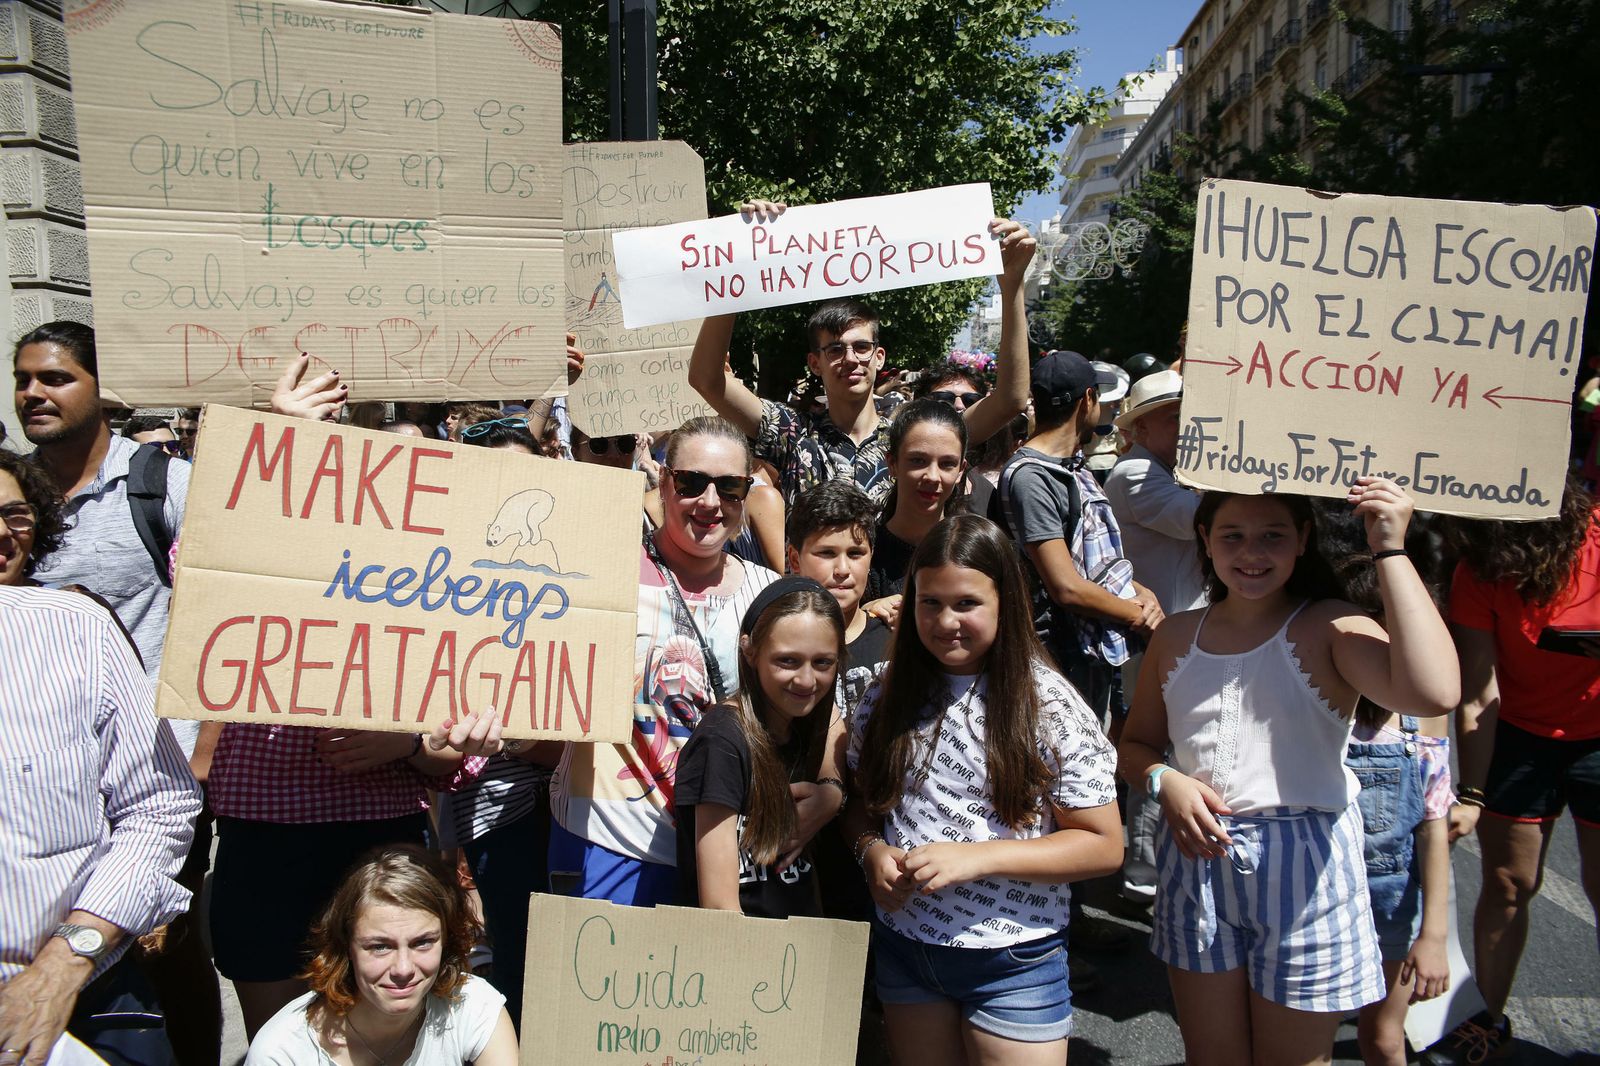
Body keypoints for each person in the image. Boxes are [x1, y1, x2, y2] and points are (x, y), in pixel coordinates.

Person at [1118, 479, 1459, 1066]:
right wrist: (1163, 781)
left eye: (1273, 535)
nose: (1252, 553)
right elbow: (1136, 745)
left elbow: (1433, 691)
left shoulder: (1331, 626)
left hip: (1308, 869)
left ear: (1303, 539)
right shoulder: (1176, 635)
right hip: (1196, 866)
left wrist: (1391, 549)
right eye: (1233, 536)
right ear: (1205, 538)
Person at [12, 321, 219, 1063]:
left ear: (105, 390)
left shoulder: (164, 484)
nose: (34, 393)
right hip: (48, 778)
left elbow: (222, 620)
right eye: (24, 379)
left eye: (56, 378)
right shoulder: (17, 491)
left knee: (161, 943)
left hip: (152, 772)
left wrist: (201, 753)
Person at [845, 514, 1123, 1064]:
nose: (946, 621)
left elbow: (1103, 844)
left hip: (1015, 958)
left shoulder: (1049, 705)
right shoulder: (884, 696)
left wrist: (976, 859)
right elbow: (861, 807)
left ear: (1005, 603)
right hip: (907, 951)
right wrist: (870, 850)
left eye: (967, 603)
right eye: (930, 603)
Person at [546, 417, 801, 906]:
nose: (710, 502)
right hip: (609, 842)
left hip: (730, 849)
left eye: (729, 487)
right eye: (691, 482)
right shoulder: (597, 578)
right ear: (663, 482)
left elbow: (821, 702)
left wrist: (830, 790)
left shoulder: (769, 595)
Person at [687, 202, 1035, 507]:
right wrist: (730, 270)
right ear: (815, 363)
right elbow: (706, 380)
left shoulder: (913, 432)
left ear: (879, 356)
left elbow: (1010, 400)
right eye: (836, 349)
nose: (851, 358)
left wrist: (1012, 286)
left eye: (862, 347)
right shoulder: (791, 430)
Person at [1422, 479, 1600, 1064]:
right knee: (1507, 884)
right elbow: (1478, 691)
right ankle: (1487, 1019)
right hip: (1522, 738)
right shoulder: (1480, 572)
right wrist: (1469, 792)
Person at [0, 583, 202, 1066]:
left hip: (87, 999)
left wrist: (61, 966)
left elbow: (160, 803)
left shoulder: (72, 629)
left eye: (14, 513)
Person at [993, 349, 1163, 719]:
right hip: (1057, 660)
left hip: (1086, 656)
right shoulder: (1032, 478)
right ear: (1089, 399)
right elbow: (1065, 586)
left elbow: (1098, 561)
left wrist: (1140, 594)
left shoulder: (1071, 466)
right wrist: (1139, 617)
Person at [245, 846, 517, 1066]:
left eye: (422, 943)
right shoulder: (283, 1052)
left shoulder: (473, 1006)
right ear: (346, 946)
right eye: (380, 946)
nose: (403, 968)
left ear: (447, 941)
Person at [675, 577, 845, 916]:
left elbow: (834, 720)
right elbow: (719, 905)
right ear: (750, 651)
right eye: (787, 661)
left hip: (798, 951)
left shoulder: (800, 720)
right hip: (744, 956)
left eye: (823, 662)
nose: (807, 680)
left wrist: (832, 791)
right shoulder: (722, 742)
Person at [1103, 369, 1206, 908]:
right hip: (1157, 638)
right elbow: (1200, 522)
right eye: (1173, 418)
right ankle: (1143, 872)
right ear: (1140, 429)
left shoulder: (1160, 468)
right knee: (1158, 748)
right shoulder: (1137, 473)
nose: (1186, 428)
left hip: (1180, 634)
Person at [867, 398, 969, 601]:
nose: (932, 476)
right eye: (918, 461)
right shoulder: (864, 554)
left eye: (947, 464)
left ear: (961, 471)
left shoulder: (976, 551)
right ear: (892, 463)